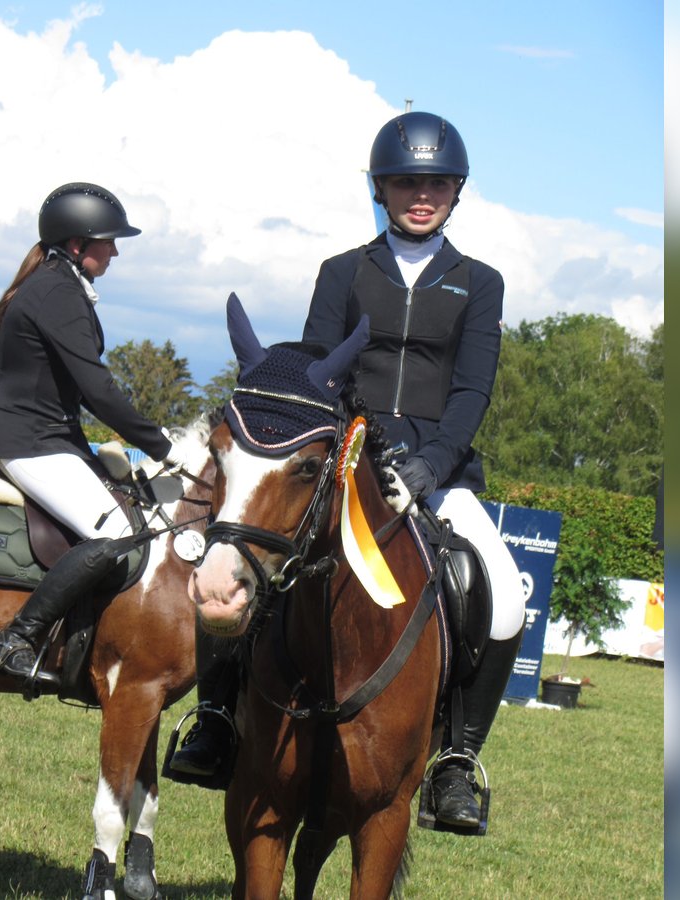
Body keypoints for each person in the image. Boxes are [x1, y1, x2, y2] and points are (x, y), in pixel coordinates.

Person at [173, 112, 526, 832]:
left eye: (434, 183)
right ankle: (215, 719)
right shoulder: (342, 271)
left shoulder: (479, 283)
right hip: (346, 460)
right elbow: (312, 373)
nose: (419, 195)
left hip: (439, 467)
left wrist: (430, 467)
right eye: (405, 182)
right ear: (381, 189)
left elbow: (472, 392)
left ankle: (456, 760)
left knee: (500, 592)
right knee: (248, 555)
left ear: (455, 192)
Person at [0, 182, 192, 680]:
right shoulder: (57, 292)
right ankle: (16, 637)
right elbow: (97, 389)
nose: (116, 250)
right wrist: (162, 445)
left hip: (47, 438)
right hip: (29, 444)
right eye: (109, 240)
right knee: (117, 534)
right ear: (78, 243)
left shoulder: (58, 285)